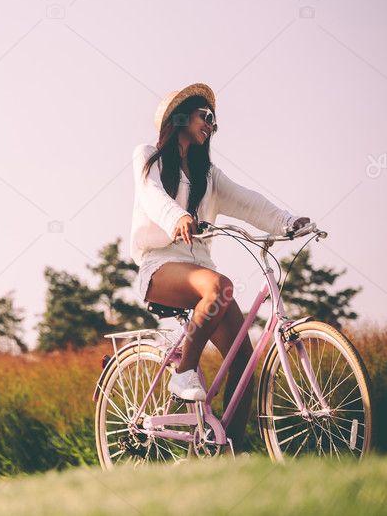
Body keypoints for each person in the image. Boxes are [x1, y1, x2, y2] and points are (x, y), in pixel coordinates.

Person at [130, 82, 309, 447]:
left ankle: (232, 449)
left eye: (214, 121)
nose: (210, 125)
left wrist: (288, 221)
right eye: (205, 116)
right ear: (180, 117)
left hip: (199, 269)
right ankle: (183, 374)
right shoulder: (148, 155)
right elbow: (151, 196)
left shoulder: (207, 175)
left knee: (243, 356)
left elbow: (248, 202)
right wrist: (177, 216)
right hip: (160, 265)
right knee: (219, 285)